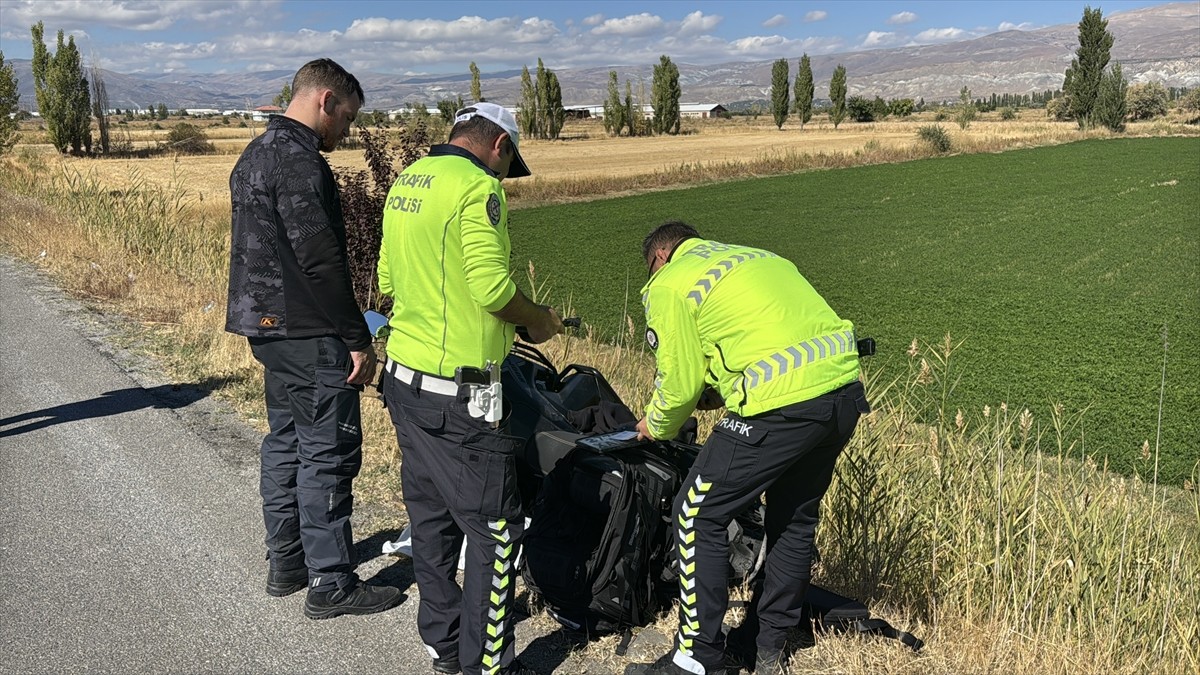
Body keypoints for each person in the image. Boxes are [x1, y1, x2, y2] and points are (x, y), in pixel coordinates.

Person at [625, 222, 870, 675]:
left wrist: (654, 424)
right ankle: (765, 647)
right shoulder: (755, 256)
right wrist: (718, 390)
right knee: (794, 520)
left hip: (780, 407)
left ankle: (697, 659)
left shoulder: (670, 282)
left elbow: (677, 387)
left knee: (697, 513)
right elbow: (762, 342)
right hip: (842, 394)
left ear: (659, 256)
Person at [377, 102, 564, 675]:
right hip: (461, 394)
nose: (506, 177)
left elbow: (386, 279)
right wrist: (537, 321)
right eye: (509, 165)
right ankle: (486, 663)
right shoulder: (478, 188)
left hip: (403, 380)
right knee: (495, 528)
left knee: (431, 516)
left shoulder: (409, 180)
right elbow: (489, 287)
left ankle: (443, 639)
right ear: (498, 146)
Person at [226, 58, 403, 619]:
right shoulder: (300, 162)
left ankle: (287, 562)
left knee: (286, 440)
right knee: (326, 451)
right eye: (346, 117)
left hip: (267, 329)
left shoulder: (254, 154)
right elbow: (320, 260)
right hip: (310, 330)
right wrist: (357, 338)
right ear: (325, 100)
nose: (346, 131)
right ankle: (331, 581)